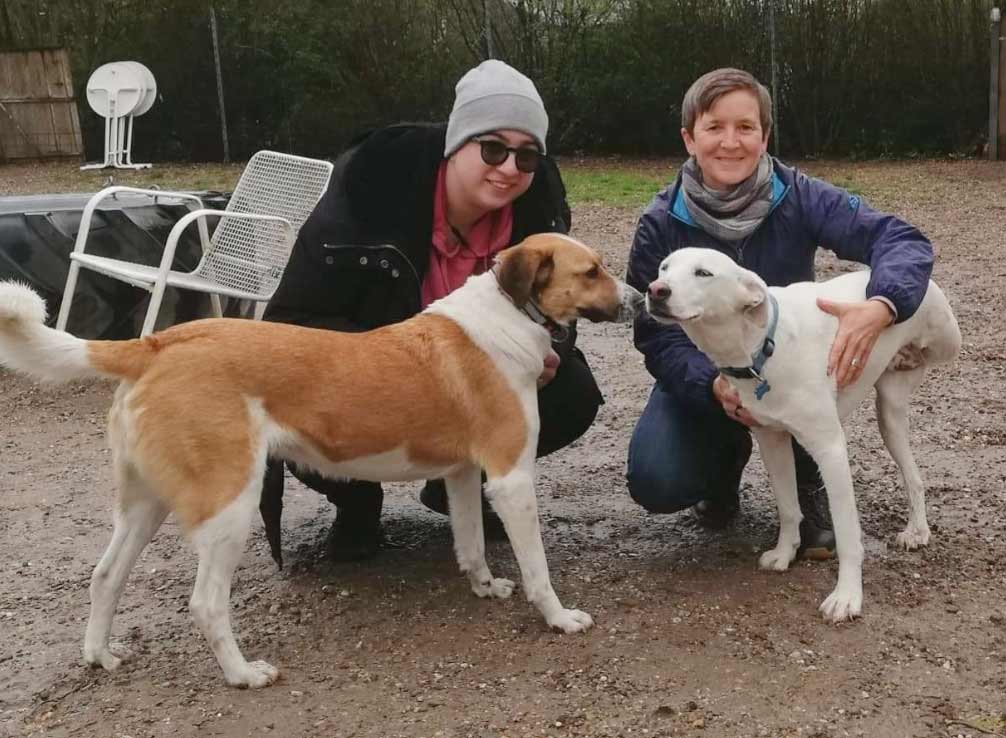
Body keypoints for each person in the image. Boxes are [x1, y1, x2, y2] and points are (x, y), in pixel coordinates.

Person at [259, 60, 604, 563]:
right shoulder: (365, 195)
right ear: (456, 144)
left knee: (573, 391)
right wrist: (388, 365)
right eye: (493, 148)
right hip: (370, 374)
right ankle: (357, 501)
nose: (510, 168)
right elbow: (291, 326)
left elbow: (558, 306)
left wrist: (549, 349)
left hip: (470, 384)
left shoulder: (539, 210)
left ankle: (463, 485)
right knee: (306, 393)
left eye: (527, 157)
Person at [625, 68, 934, 558]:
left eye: (746, 127)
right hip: (710, 377)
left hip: (787, 368)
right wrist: (710, 384)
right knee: (658, 479)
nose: (731, 142)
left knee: (798, 402)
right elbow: (654, 335)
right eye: (714, 127)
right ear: (689, 138)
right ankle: (721, 470)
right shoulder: (660, 223)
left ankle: (805, 476)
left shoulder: (802, 195)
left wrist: (883, 305)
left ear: (764, 136)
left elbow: (901, 241)